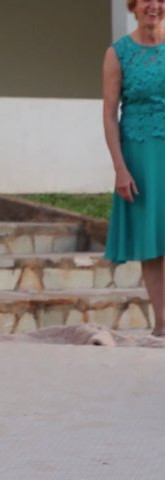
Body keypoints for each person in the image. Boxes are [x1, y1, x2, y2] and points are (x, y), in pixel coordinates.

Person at [103, 0, 165, 337]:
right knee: (151, 243)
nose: (153, 6)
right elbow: (110, 113)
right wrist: (119, 168)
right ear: (133, 6)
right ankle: (162, 324)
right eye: (146, 0)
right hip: (138, 157)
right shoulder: (118, 53)